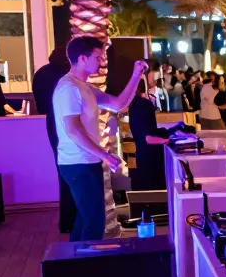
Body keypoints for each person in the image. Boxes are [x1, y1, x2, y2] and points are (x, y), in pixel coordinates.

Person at [53, 36, 147, 241]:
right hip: (77, 163)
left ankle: (74, 263)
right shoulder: (69, 88)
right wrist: (106, 155)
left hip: (87, 162)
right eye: (97, 56)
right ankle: (86, 267)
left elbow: (118, 104)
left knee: (86, 219)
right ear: (82, 58)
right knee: (94, 222)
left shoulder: (84, 87)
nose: (101, 61)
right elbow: (73, 131)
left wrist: (136, 75)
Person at [32, 45, 75, 233]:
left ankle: (66, 221)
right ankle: (73, 220)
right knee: (73, 169)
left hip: (51, 123)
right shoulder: (66, 77)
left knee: (62, 170)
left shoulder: (41, 73)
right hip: (66, 123)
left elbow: (40, 104)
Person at [127, 72, 171, 191]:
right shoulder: (145, 105)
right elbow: (148, 138)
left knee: (148, 192)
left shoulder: (133, 105)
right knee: (157, 191)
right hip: (152, 157)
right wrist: (167, 141)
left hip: (141, 154)